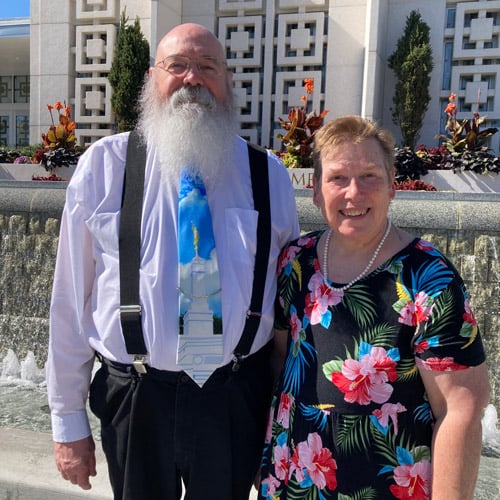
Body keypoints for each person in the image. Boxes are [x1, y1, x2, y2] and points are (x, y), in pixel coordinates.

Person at [46, 23, 300, 500]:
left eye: (207, 67)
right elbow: (68, 304)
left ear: (226, 80)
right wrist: (68, 422)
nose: (192, 78)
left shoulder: (270, 176)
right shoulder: (104, 167)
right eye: (177, 65)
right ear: (152, 78)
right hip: (136, 399)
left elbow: (290, 305)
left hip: (233, 398)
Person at [258, 115, 490, 500]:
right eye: (338, 179)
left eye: (369, 176)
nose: (354, 193)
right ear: (315, 191)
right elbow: (281, 361)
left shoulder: (427, 278)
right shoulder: (295, 263)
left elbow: (460, 409)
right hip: (292, 483)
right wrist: (264, 461)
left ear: (391, 187)